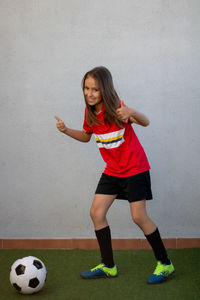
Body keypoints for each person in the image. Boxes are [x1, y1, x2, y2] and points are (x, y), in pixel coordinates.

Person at [54, 66, 175, 284]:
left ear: (105, 90)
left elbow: (145, 122)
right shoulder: (90, 112)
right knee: (96, 213)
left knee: (138, 217)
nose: (90, 93)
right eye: (86, 88)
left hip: (135, 169)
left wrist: (132, 112)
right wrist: (66, 130)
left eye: (95, 90)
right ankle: (108, 266)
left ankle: (165, 263)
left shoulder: (117, 108)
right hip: (113, 171)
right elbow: (85, 136)